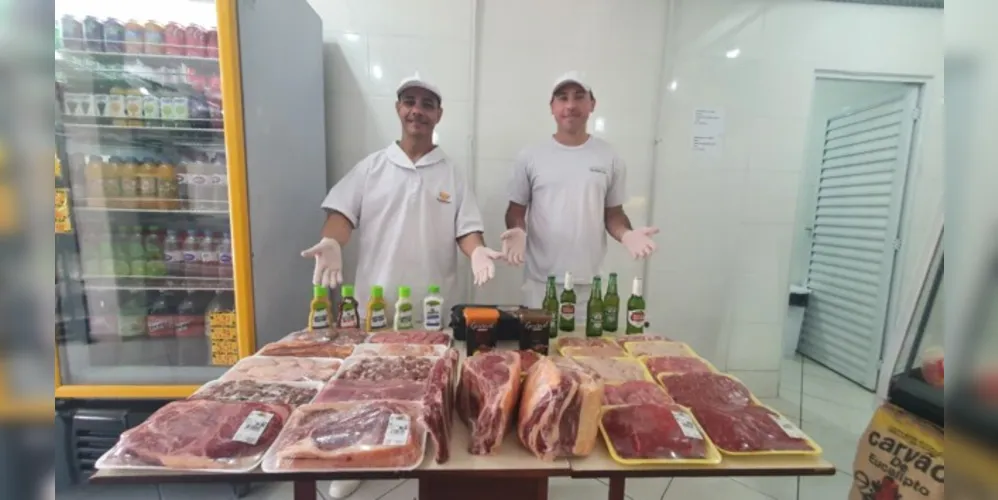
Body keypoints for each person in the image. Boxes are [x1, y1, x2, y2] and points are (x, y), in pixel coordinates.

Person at [301, 75, 502, 499]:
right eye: (410, 101)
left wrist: (478, 251)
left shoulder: (451, 173)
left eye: (427, 104)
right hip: (378, 306)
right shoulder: (372, 167)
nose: (417, 110)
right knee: (367, 385)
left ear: (438, 115)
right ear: (398, 109)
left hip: (432, 309)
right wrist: (332, 242)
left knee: (428, 388)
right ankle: (356, 459)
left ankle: (425, 455)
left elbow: (467, 230)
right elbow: (341, 216)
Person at [501, 71, 659, 307]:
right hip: (540, 283)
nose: (570, 105)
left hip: (589, 285)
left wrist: (627, 234)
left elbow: (613, 214)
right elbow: (516, 209)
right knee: (536, 333)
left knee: (586, 334)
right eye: (562, 98)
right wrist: (517, 230)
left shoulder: (609, 156)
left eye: (578, 97)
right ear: (552, 107)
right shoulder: (531, 156)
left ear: (592, 104)